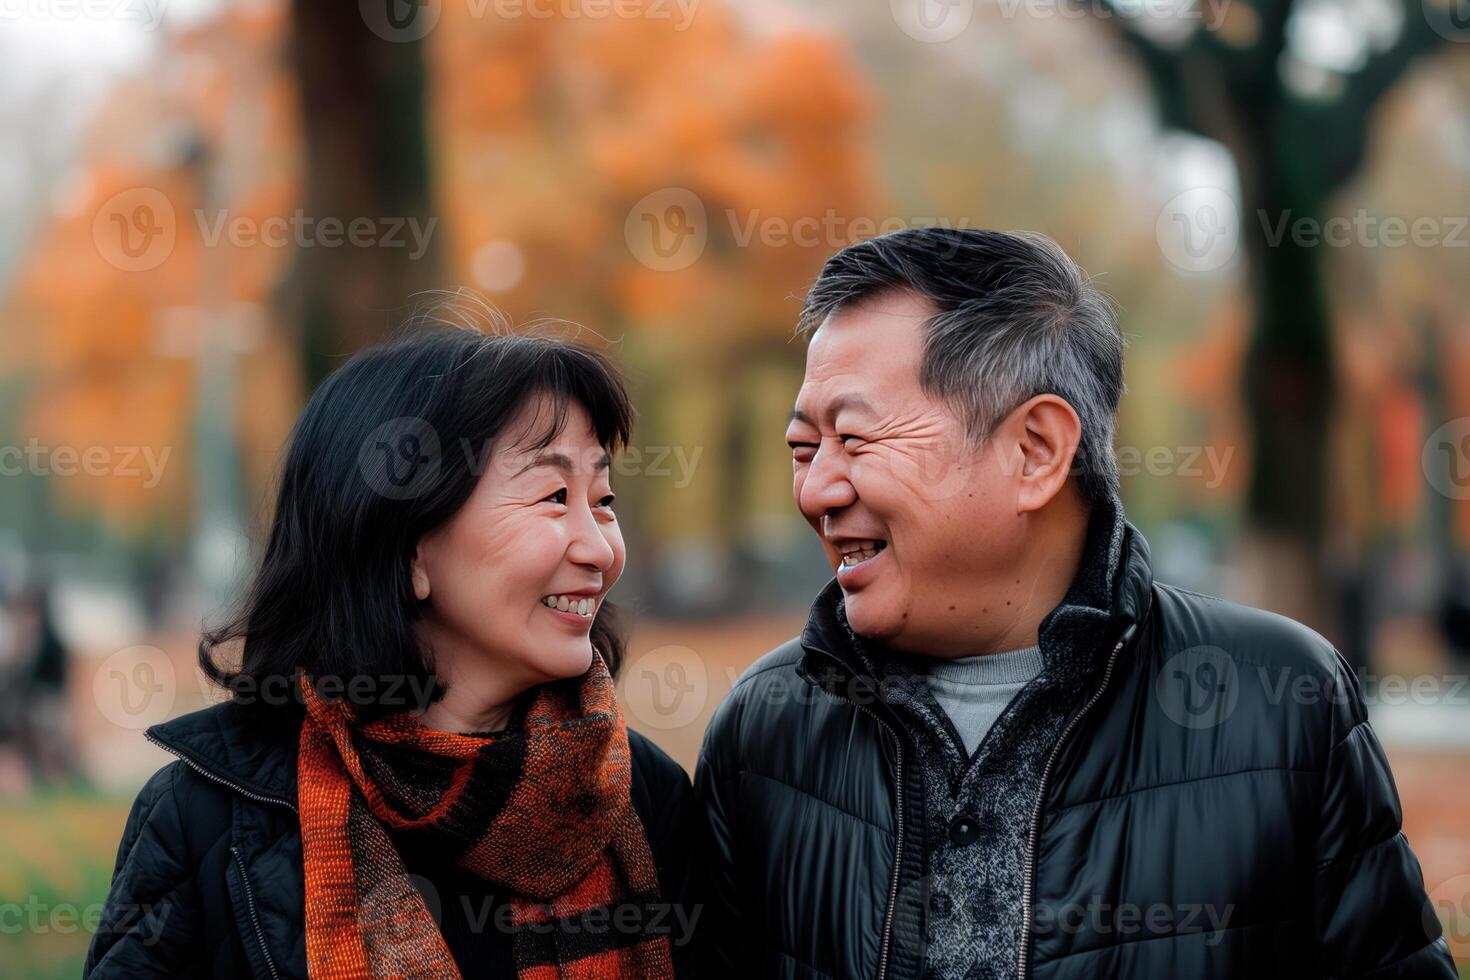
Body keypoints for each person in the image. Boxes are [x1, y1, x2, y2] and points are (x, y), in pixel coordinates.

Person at [694, 227, 1455, 979]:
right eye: (803, 448)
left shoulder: (1281, 705)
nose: (816, 489)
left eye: (855, 440)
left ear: (1036, 451)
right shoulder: (764, 734)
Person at [86, 316, 706, 978]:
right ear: (406, 545)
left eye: (603, 499)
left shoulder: (641, 798)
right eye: (554, 496)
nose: (600, 548)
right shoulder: (207, 822)